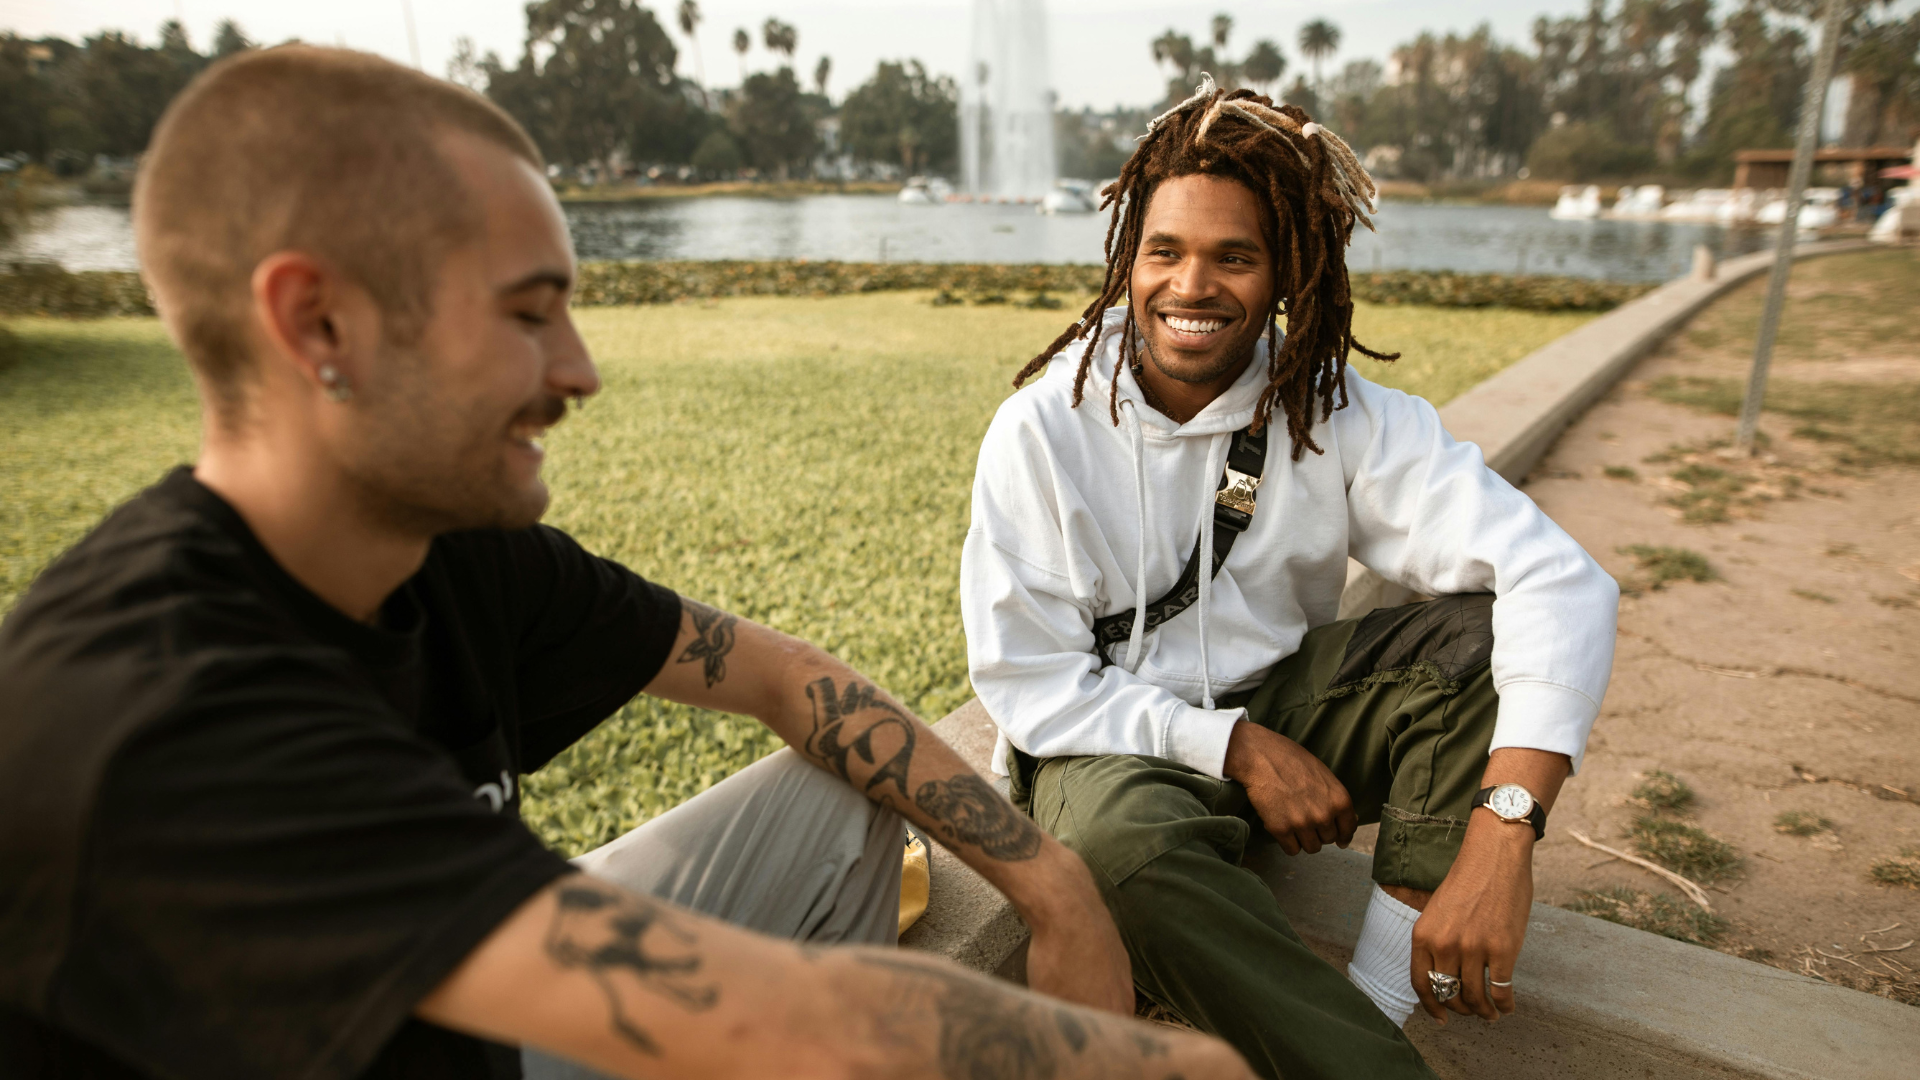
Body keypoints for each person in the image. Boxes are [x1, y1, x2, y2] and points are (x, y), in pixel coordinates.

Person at [0, 48, 1255, 1080]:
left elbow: (786, 678)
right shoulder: (155, 714)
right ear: (318, 324)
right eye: (528, 312)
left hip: (458, 1021)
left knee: (835, 785)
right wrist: (1153, 1064)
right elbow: (764, 1014)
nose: (579, 370)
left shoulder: (444, 555)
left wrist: (1054, 883)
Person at [960, 79, 1619, 1080]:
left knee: (1481, 644)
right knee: (1117, 852)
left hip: (1287, 707)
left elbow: (1559, 580)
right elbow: (1026, 681)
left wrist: (1504, 831)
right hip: (1110, 748)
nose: (1193, 286)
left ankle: (1377, 1001)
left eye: (1236, 256)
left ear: (1284, 274)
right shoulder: (1044, 430)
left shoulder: (1334, 411)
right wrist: (1230, 746)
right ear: (1126, 260)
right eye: (1166, 252)